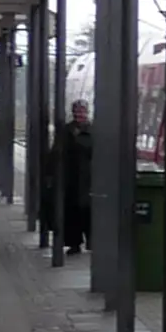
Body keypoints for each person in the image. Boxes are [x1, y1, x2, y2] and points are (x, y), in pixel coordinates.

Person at [55, 100, 94, 261]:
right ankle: (74, 243)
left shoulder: (93, 130)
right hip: (71, 177)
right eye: (77, 112)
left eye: (83, 112)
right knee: (72, 212)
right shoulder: (66, 130)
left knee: (88, 211)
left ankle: (91, 241)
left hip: (89, 177)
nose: (80, 115)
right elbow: (57, 151)